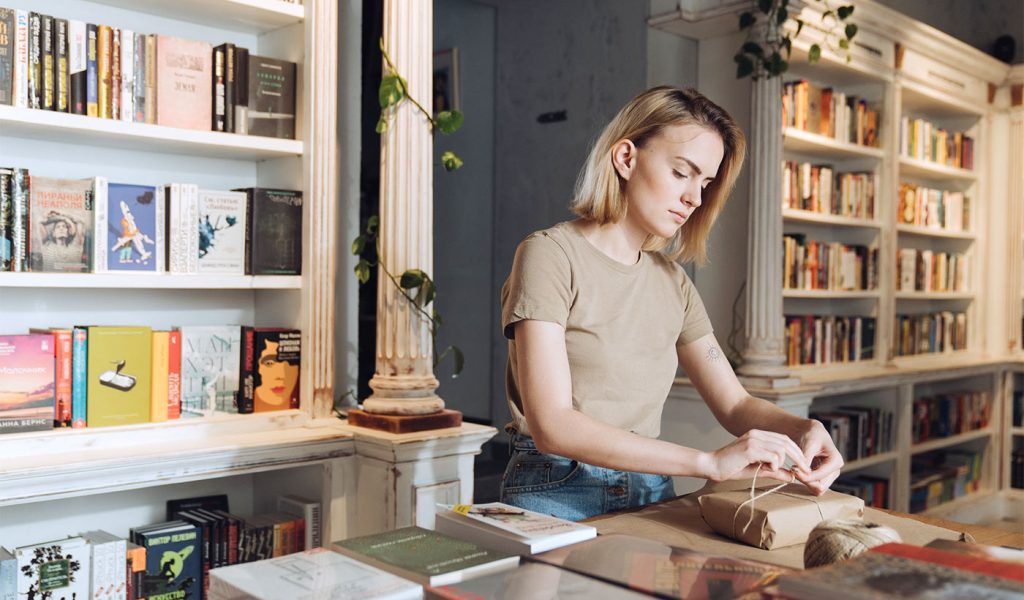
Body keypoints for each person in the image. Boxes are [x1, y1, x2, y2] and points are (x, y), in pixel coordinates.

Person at [499, 86, 843, 521]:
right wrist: (707, 463)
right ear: (626, 158)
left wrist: (804, 429)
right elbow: (552, 426)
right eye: (682, 172)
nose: (695, 199)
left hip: (651, 491)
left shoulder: (673, 282)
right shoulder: (549, 254)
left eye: (705, 183)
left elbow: (734, 404)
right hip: (557, 489)